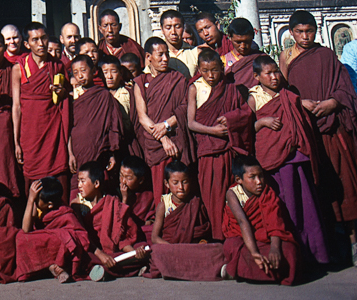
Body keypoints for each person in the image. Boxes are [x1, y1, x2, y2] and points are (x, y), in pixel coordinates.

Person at [280, 8, 357, 260]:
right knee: (318, 187)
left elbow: (344, 88)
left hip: (333, 131)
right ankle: (328, 246)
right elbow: (283, 93)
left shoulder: (326, 55)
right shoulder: (286, 58)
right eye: (300, 32)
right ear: (291, 33)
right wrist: (300, 103)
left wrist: (333, 103)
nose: (305, 36)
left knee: (345, 183)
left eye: (309, 31)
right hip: (307, 132)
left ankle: (354, 240)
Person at [248, 53, 329, 265]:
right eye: (269, 73)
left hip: (296, 156)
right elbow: (247, 129)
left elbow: (301, 123)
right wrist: (262, 121)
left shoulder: (289, 95)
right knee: (285, 206)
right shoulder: (254, 97)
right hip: (273, 160)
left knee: (307, 204)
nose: (274, 77)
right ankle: (293, 256)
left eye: (276, 72)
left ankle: (315, 255)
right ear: (257, 76)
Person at [187, 47, 252, 240]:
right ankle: (218, 237)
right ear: (199, 69)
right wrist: (213, 131)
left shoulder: (230, 88)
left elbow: (246, 113)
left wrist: (231, 118)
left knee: (232, 193)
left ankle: (235, 236)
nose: (210, 75)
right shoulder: (195, 87)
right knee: (212, 196)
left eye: (215, 70)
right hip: (208, 150)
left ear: (222, 67)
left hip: (229, 150)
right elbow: (191, 123)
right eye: (205, 71)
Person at [12, 22, 73, 194]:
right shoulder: (19, 69)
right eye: (35, 40)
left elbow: (64, 102)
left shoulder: (57, 66)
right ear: (27, 44)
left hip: (52, 130)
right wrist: (16, 141)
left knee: (57, 177)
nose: (41, 44)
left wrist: (62, 94)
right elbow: (16, 107)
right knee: (32, 179)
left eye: (44, 38)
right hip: (30, 133)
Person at [222, 155, 298, 284]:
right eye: (252, 177)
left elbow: (275, 222)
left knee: (289, 251)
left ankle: (248, 272)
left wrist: (275, 248)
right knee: (236, 248)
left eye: (261, 176)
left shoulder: (267, 193)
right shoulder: (232, 193)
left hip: (265, 237)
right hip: (244, 238)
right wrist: (254, 253)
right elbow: (242, 222)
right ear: (239, 179)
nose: (259, 182)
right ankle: (239, 269)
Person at [134, 37, 193, 202]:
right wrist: (164, 138)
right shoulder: (140, 82)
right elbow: (142, 117)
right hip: (157, 143)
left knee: (182, 188)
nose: (165, 59)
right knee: (161, 190)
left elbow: (184, 108)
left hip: (177, 139)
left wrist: (167, 125)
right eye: (160, 55)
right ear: (148, 57)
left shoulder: (178, 79)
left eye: (167, 54)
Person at [149, 159, 225, 281]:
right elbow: (155, 238)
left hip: (190, 248)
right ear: (166, 184)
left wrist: (202, 242)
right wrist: (173, 249)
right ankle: (204, 269)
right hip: (171, 248)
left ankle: (172, 270)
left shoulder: (195, 202)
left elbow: (203, 230)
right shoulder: (164, 204)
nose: (181, 187)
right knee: (157, 250)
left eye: (184, 182)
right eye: (175, 182)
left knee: (218, 249)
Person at [74, 161, 147, 277]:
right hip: (93, 250)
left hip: (113, 249)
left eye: (82, 181)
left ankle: (105, 270)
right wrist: (101, 255)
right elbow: (81, 236)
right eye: (78, 181)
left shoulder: (111, 202)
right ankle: (131, 267)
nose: (79, 185)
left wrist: (133, 252)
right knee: (85, 258)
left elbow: (121, 233)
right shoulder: (76, 205)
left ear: (96, 183)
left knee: (142, 250)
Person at [15, 176, 90, 282]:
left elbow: (80, 236)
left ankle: (54, 267)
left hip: (62, 253)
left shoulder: (65, 214)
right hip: (47, 250)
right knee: (21, 237)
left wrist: (32, 199)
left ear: (49, 205)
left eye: (37, 200)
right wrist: (31, 199)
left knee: (58, 238)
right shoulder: (38, 207)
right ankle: (51, 266)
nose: (35, 202)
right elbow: (26, 229)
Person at [69, 55, 124, 171]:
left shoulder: (104, 96)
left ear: (93, 71)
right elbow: (68, 129)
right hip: (78, 151)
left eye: (83, 70)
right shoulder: (73, 98)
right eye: (76, 72)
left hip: (99, 151)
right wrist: (70, 154)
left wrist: (112, 153)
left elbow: (113, 125)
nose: (80, 75)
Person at [98, 54, 141, 152]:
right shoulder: (98, 95)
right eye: (105, 72)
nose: (109, 76)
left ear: (121, 73)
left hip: (127, 143)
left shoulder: (129, 93)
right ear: (101, 75)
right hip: (105, 145)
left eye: (114, 71)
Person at [159, 9, 201, 78]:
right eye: (168, 28)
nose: (173, 32)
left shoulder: (195, 52)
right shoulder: (156, 54)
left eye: (177, 27)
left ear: (183, 27)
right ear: (162, 29)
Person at [118, 155, 155, 226]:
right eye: (121, 175)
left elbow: (152, 217)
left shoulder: (148, 196)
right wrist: (125, 198)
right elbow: (119, 220)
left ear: (140, 180)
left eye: (128, 178)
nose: (123, 181)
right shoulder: (116, 193)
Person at [222, 17, 258, 88]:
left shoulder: (261, 58)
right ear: (230, 37)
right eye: (238, 42)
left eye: (247, 42)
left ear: (253, 36)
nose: (243, 46)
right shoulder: (223, 61)